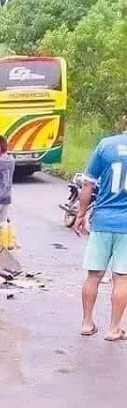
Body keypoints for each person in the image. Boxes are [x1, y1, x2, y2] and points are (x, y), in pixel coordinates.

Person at [76, 115, 127, 340]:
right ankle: (114, 328)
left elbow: (88, 183)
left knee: (93, 274)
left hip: (102, 220)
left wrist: (80, 213)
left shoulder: (106, 145)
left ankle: (87, 323)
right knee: (122, 278)